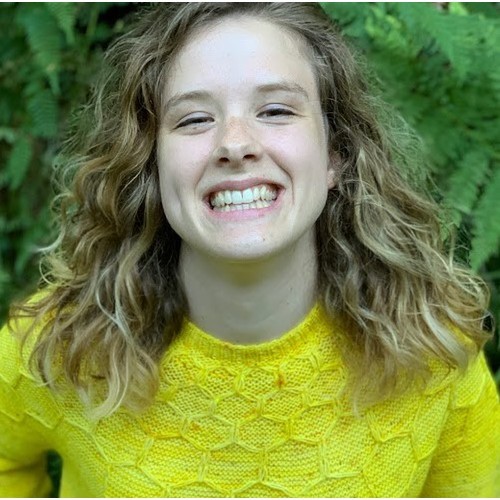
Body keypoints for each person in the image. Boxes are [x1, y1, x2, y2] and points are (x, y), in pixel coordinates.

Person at [0, 2, 499, 497]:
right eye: (195, 119)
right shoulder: (61, 348)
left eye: (276, 110)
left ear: (335, 153)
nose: (234, 144)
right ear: (150, 164)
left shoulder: (436, 352)